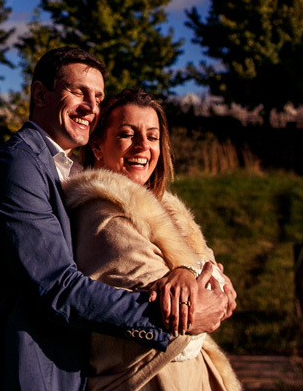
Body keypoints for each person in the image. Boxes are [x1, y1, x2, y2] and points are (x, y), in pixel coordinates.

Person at [0, 47, 230, 391]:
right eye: (78, 92)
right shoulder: (16, 165)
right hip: (21, 373)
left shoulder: (64, 172)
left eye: (98, 97)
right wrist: (178, 320)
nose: (91, 107)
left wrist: (187, 272)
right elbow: (57, 287)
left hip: (61, 374)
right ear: (40, 94)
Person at [63, 88, 242, 391]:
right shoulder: (104, 215)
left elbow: (219, 293)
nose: (143, 146)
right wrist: (210, 289)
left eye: (153, 136)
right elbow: (184, 326)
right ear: (97, 145)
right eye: (127, 134)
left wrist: (203, 284)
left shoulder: (168, 210)